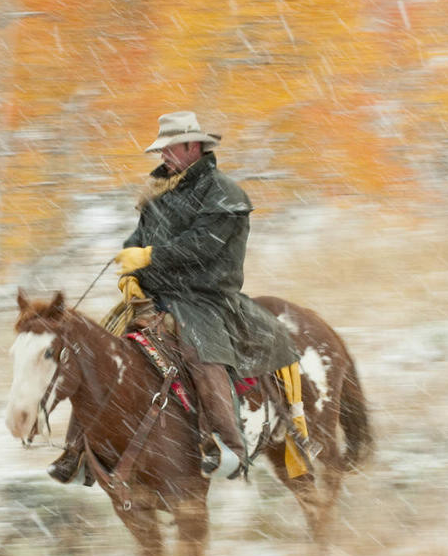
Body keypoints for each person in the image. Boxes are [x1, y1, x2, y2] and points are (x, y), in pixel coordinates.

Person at [49, 110, 298, 483]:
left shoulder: (223, 193)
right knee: (94, 348)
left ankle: (229, 444)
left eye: (170, 148)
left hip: (205, 297)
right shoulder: (159, 191)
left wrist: (151, 257)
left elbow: (204, 246)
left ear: (193, 146)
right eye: (161, 149)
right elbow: (138, 238)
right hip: (155, 293)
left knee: (201, 354)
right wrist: (131, 274)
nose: (163, 155)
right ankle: (79, 449)